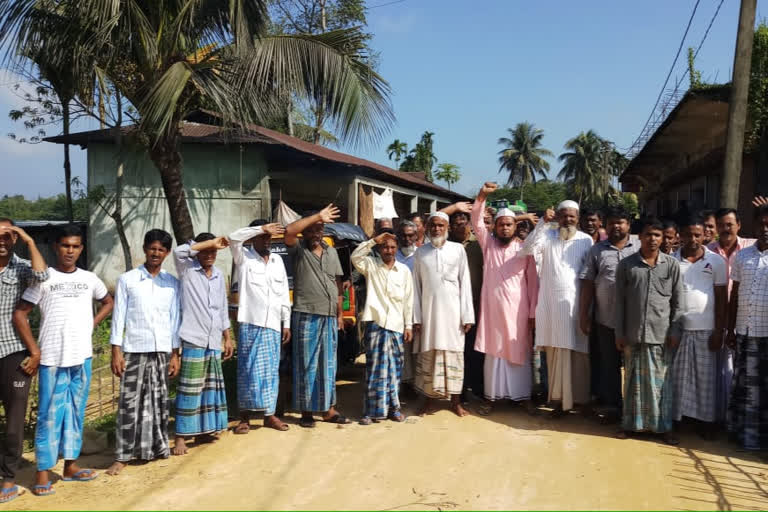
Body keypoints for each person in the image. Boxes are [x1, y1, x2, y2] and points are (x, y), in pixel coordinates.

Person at [13, 224, 113, 496]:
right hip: (52, 360)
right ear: (56, 247)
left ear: (81, 249)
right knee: (48, 416)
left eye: (76, 246)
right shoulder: (44, 279)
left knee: (75, 414)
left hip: (82, 358)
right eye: (65, 245)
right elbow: (20, 314)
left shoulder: (90, 279)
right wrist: (34, 350)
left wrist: (91, 323)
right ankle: (42, 472)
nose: (70, 251)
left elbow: (108, 302)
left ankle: (70, 467)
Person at [106, 229, 181, 476]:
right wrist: (116, 351)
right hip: (135, 348)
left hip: (162, 349)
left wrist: (175, 354)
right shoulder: (127, 280)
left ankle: (155, 448)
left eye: (161, 249)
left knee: (159, 402)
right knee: (129, 404)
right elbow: (118, 318)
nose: (156, 253)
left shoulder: (172, 283)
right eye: (152, 248)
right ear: (145, 249)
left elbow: (174, 319)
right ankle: (123, 455)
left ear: (167, 253)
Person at [520, 200, 593, 417]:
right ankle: (560, 402)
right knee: (554, 355)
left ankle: (579, 401)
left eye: (572, 216)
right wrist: (543, 222)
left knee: (577, 354)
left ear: (577, 218)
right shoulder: (547, 238)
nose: (567, 220)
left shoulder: (586, 240)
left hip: (575, 306)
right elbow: (528, 248)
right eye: (563, 215)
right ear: (557, 217)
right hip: (551, 308)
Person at [471, 183, 539, 415]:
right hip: (492, 311)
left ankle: (523, 397)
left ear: (515, 226)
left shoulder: (524, 248)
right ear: (496, 228)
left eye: (509, 224)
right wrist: (482, 196)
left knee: (519, 351)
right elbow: (476, 222)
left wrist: (532, 314)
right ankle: (491, 397)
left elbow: (533, 284)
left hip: (518, 312)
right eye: (501, 225)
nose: (505, 228)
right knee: (493, 354)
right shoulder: (488, 244)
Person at [615, 217, 683, 445]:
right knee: (632, 382)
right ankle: (630, 425)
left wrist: (675, 331)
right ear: (640, 237)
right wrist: (619, 333)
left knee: (661, 384)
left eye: (657, 235)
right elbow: (620, 302)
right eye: (648, 234)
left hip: (661, 335)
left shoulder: (672, 265)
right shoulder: (627, 265)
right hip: (633, 334)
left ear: (663, 238)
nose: (652, 239)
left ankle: (663, 428)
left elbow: (678, 303)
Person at [285, 205, 350, 427]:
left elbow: (337, 283)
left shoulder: (330, 251)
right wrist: (316, 216)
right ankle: (306, 412)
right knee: (306, 365)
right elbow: (289, 231)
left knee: (328, 365)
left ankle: (328, 409)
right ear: (305, 231)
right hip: (306, 313)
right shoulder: (298, 249)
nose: (316, 234)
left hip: (329, 316)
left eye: (319, 229)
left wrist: (339, 314)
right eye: (311, 229)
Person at [664, 214, 727, 439]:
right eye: (688, 234)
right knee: (678, 379)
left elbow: (721, 299)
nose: (693, 239)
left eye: (697, 234)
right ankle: (678, 419)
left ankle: (705, 422)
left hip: (706, 329)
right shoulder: (670, 260)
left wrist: (719, 331)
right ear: (680, 235)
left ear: (706, 235)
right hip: (679, 329)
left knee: (704, 380)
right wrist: (670, 329)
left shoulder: (717, 262)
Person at [172, 233, 234, 455]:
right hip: (194, 338)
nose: (210, 255)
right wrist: (209, 243)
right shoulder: (187, 270)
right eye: (206, 251)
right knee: (190, 389)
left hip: (213, 338)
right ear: (198, 252)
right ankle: (181, 436)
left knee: (209, 388)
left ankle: (204, 430)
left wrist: (227, 337)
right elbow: (179, 250)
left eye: (213, 252)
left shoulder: (218, 275)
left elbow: (221, 308)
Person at [0, 219, 48, 504]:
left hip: (14, 352)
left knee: (15, 421)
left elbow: (41, 277)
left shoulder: (21, 267)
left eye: (9, 235)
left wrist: (29, 241)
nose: (3, 240)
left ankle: (8, 477)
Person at [228, 221, 291, 434]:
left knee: (271, 371)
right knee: (247, 370)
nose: (267, 240)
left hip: (273, 323)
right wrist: (261, 229)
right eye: (263, 236)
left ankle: (269, 415)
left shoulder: (277, 261)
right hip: (251, 322)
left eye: (269, 237)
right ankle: (244, 417)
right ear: (254, 238)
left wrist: (286, 323)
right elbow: (233, 237)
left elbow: (283, 293)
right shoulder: (243, 257)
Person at [579, 207, 639, 422]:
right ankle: (614, 407)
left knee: (634, 366)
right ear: (606, 225)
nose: (616, 226)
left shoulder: (640, 247)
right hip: (605, 319)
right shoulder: (597, 251)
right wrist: (584, 315)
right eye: (612, 222)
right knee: (609, 366)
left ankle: (635, 409)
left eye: (621, 222)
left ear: (628, 225)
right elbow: (587, 283)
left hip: (635, 321)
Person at [412, 212, 474, 417]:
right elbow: (416, 287)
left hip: (454, 313)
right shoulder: (421, 253)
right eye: (433, 226)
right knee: (430, 353)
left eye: (441, 225)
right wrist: (417, 317)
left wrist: (467, 315)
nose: (437, 229)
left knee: (454, 354)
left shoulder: (457, 250)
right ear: (428, 228)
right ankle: (429, 401)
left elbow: (465, 283)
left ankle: (455, 402)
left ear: (447, 228)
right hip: (430, 314)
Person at [351, 231, 414, 425]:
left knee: (394, 369)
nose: (389, 250)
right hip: (376, 324)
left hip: (396, 325)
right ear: (380, 248)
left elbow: (408, 300)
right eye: (385, 247)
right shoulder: (371, 266)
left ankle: (394, 408)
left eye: (392, 247)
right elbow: (355, 256)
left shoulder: (404, 271)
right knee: (374, 369)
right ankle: (370, 411)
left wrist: (408, 325)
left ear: (396, 249)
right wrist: (372, 241)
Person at [726, 204, 768, 451]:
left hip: (767, 333)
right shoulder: (742, 256)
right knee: (743, 385)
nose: (765, 229)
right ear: (754, 226)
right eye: (761, 224)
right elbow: (735, 295)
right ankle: (743, 434)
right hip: (744, 330)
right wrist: (731, 330)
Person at [443, 204, 485, 401]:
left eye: (464, 223)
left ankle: (475, 387)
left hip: (476, 305)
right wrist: (454, 207)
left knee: (474, 350)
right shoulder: (444, 243)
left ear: (470, 225)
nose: (461, 227)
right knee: (456, 349)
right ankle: (458, 390)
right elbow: (435, 218)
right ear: (450, 227)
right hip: (451, 307)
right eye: (456, 224)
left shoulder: (479, 245)